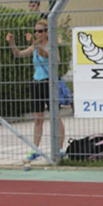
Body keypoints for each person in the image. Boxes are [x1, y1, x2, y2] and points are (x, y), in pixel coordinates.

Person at [6, 19, 66, 163]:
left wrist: (35, 43)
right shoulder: (34, 46)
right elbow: (18, 54)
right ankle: (35, 149)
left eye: (40, 31)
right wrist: (12, 43)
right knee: (38, 119)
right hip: (36, 83)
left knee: (55, 117)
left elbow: (46, 55)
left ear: (46, 32)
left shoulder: (51, 46)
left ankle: (59, 148)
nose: (37, 33)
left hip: (49, 83)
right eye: (35, 31)